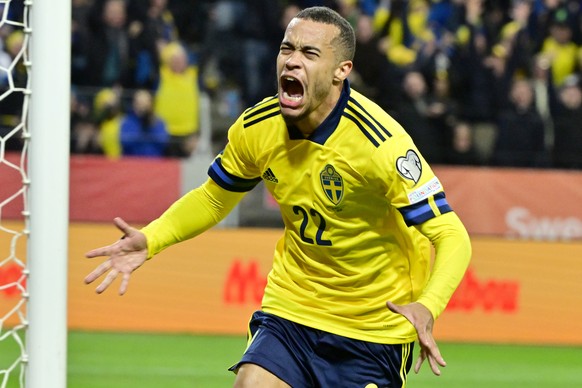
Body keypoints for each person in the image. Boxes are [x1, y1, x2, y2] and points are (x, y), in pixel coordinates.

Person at [84, 6, 472, 387]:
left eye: (309, 53)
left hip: (373, 326)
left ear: (342, 71)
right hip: (294, 307)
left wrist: (428, 305)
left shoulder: (381, 144)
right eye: (287, 48)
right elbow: (214, 198)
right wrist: (152, 238)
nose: (291, 61)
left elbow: (452, 235)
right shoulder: (258, 127)